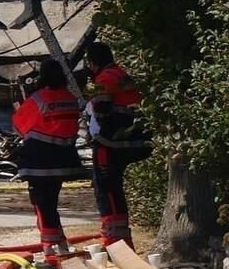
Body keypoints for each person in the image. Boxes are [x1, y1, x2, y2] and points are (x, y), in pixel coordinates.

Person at [12, 58, 83, 257]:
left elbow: (19, 126)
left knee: (42, 205)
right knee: (51, 203)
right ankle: (59, 243)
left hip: (39, 162)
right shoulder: (70, 98)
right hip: (64, 160)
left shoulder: (38, 99)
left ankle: (50, 247)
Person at [82, 42, 150, 248]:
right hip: (129, 141)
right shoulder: (123, 76)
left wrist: (93, 130)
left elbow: (101, 112)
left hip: (108, 144)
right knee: (115, 190)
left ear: (92, 63)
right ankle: (122, 240)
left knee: (107, 190)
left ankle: (114, 241)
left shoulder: (103, 81)